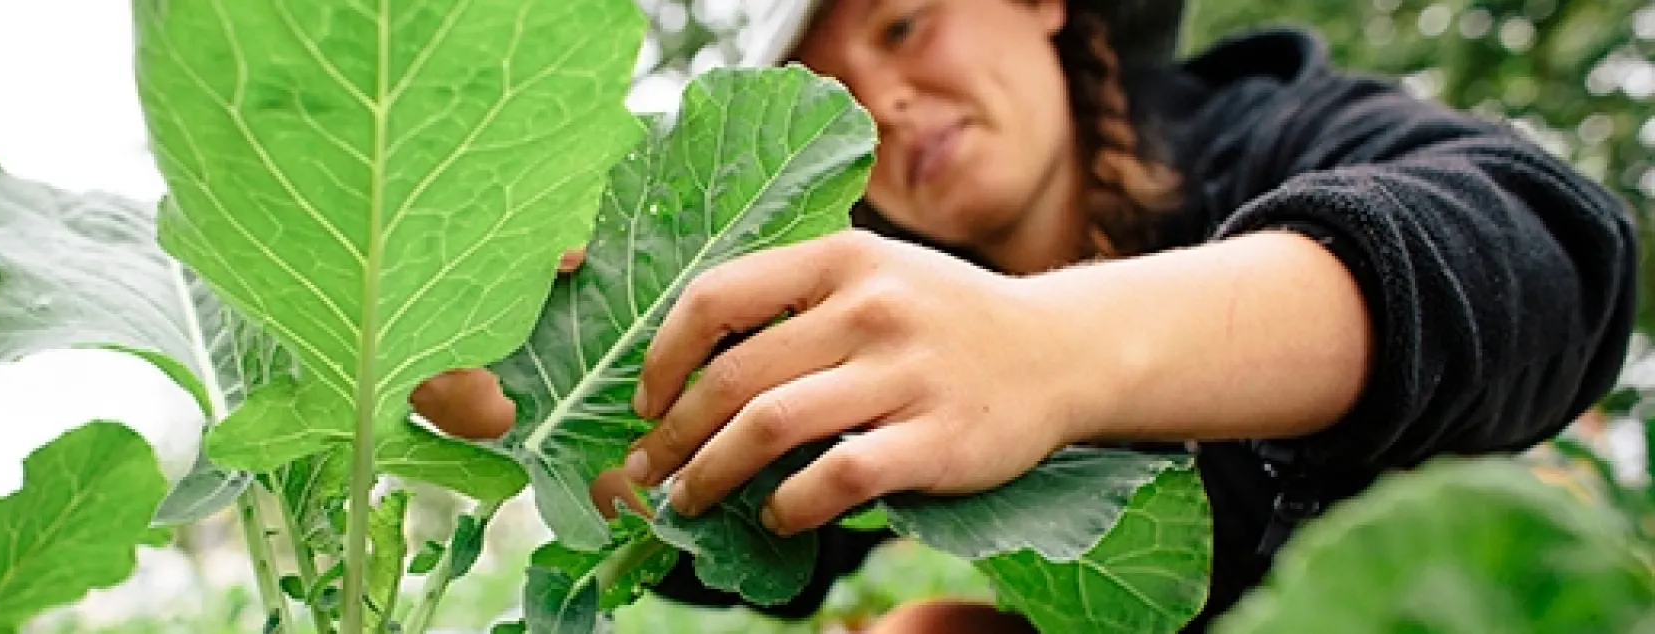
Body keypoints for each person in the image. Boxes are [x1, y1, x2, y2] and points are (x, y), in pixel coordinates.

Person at [409, 0, 1641, 630]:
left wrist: (1056, 349)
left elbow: (1546, 250)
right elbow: (764, 544)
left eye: (904, 22)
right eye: (841, 81)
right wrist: (545, 415)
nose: (887, 94)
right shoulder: (869, 307)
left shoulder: (1250, 131)